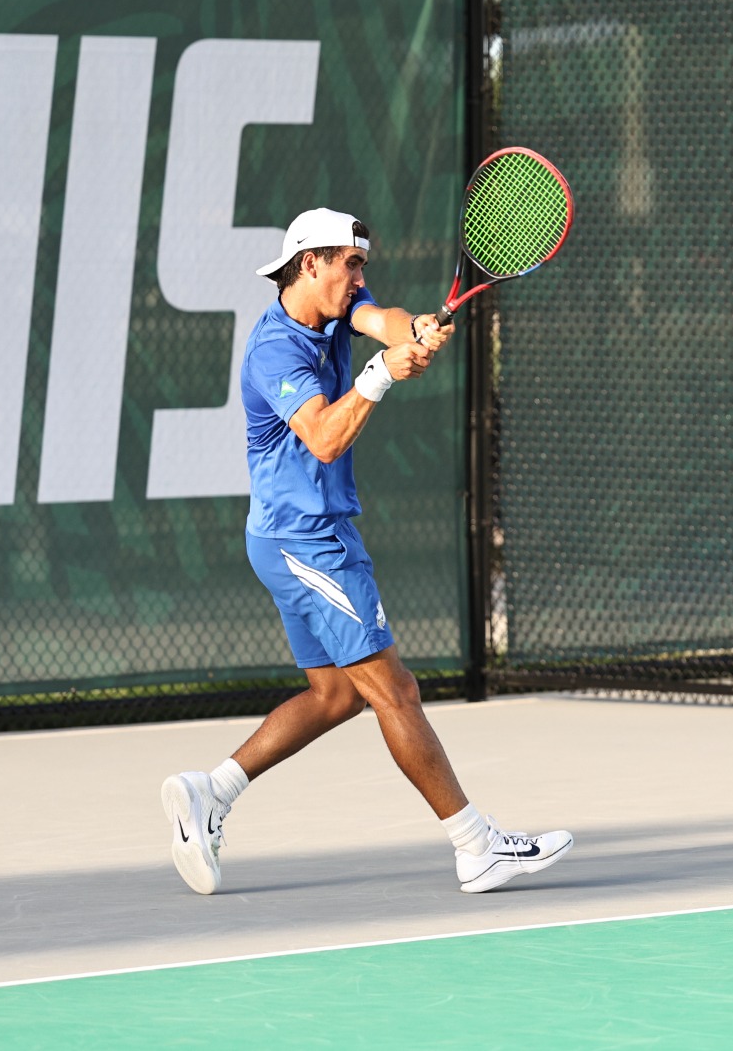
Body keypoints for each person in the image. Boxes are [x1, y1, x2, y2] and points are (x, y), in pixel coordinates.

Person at [160, 207, 572, 896]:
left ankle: (212, 790)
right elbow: (324, 438)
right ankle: (476, 847)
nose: (359, 277)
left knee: (335, 695)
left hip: (296, 534)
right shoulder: (274, 350)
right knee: (395, 690)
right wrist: (380, 374)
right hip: (305, 541)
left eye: (362, 267)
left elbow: (384, 321)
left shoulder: (336, 308)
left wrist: (416, 331)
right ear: (310, 263)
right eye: (350, 264)